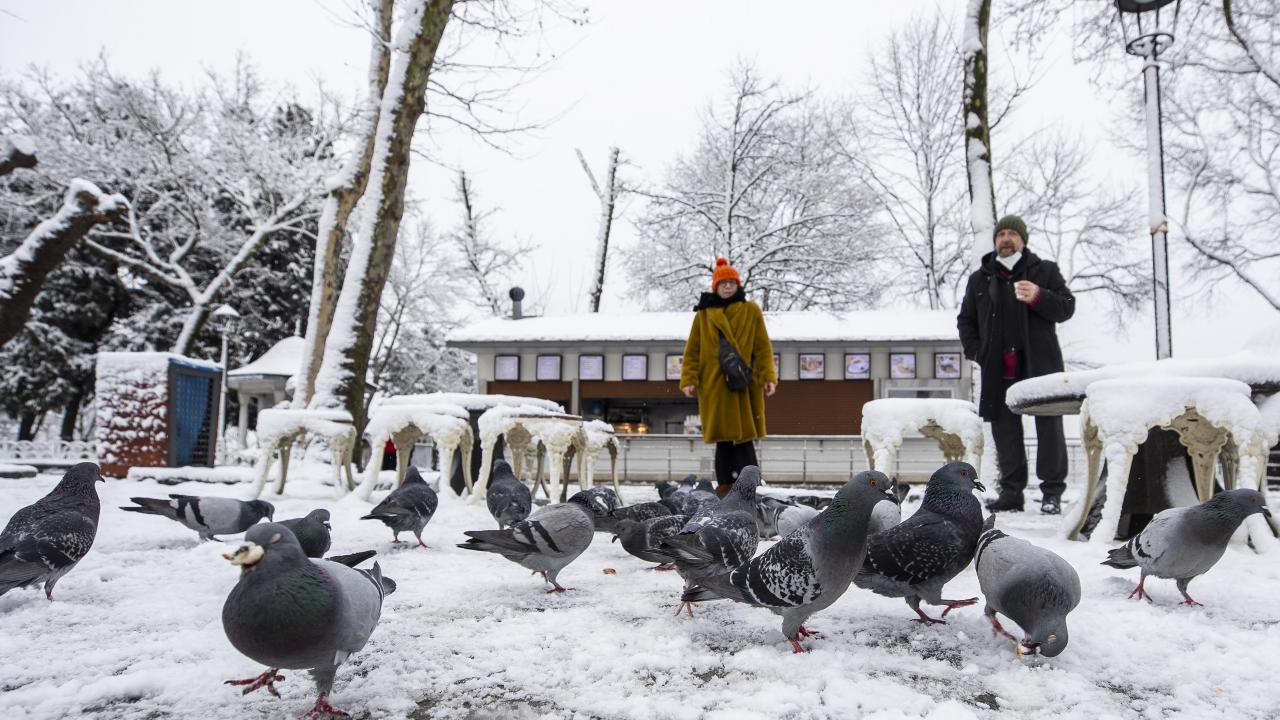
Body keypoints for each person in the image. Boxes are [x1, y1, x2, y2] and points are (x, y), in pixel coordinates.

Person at [957, 215, 1075, 514]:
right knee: (1004, 431)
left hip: (1040, 365)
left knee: (1049, 427)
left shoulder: (1044, 270)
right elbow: (966, 320)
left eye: (1012, 233)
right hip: (998, 369)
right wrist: (979, 352)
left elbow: (1066, 307)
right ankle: (1011, 493)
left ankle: (1052, 494)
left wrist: (1039, 296)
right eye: (1001, 234)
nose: (1006, 238)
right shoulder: (980, 278)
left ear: (1023, 240)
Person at [680, 257, 777, 496]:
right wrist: (689, 379)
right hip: (715, 383)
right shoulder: (703, 315)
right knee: (723, 438)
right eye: (723, 283)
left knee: (745, 438)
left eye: (731, 283)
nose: (727, 287)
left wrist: (768, 376)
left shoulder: (751, 310)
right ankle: (725, 484)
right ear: (715, 287)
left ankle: (749, 485)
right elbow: (692, 350)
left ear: (738, 285)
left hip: (744, 382)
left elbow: (762, 347)